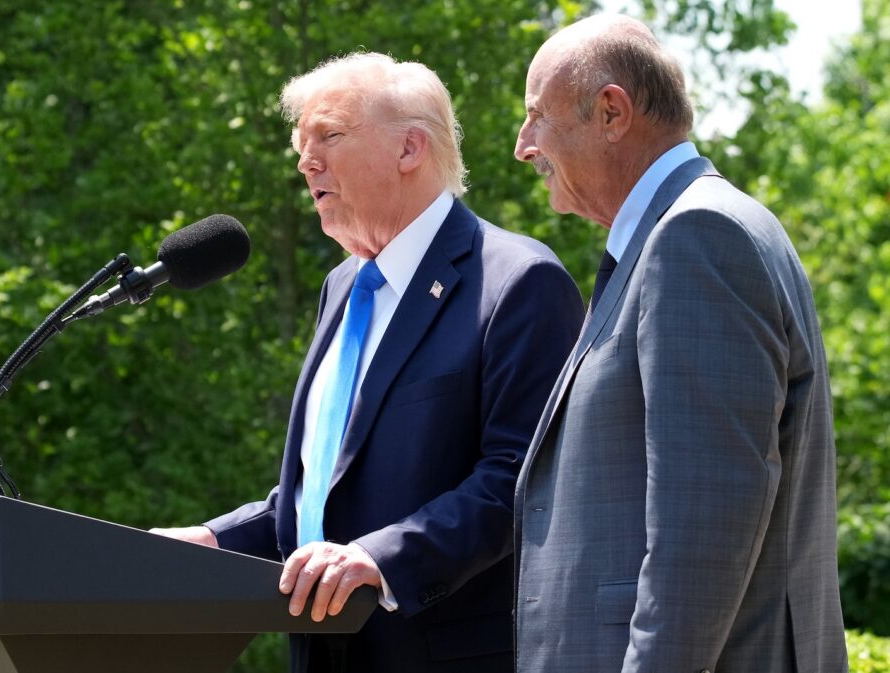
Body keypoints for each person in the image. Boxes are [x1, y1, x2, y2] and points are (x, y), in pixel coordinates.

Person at [153, 52, 583, 673]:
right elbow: (324, 489)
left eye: (328, 135)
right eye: (301, 145)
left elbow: (521, 481)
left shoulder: (518, 282)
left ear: (410, 147)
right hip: (320, 651)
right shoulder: (343, 286)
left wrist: (382, 559)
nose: (305, 161)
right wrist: (214, 540)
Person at [511, 15, 848, 673]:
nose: (524, 144)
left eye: (537, 117)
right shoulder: (688, 231)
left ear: (612, 112)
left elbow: (701, 534)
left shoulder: (696, 236)